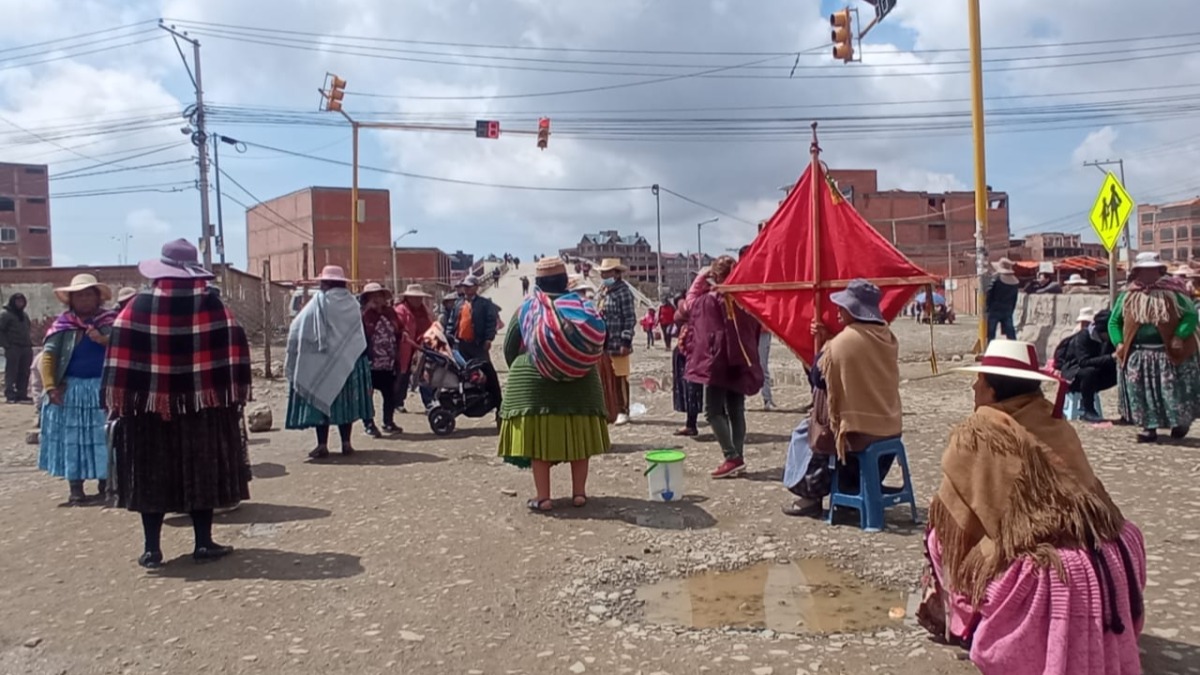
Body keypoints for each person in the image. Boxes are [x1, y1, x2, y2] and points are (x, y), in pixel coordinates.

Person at [920, 339, 1144, 674]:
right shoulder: (1053, 420)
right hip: (1109, 551)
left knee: (939, 535)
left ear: (994, 391)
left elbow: (959, 517)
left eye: (979, 380)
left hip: (1047, 564)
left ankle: (967, 619)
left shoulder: (979, 431)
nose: (973, 386)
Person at [104, 239, 252, 569]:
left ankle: (152, 550)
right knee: (201, 471)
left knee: (150, 474)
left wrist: (122, 402)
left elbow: (117, 358)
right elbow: (235, 350)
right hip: (202, 408)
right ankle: (203, 543)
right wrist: (229, 397)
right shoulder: (212, 306)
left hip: (147, 411)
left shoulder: (137, 307)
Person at [498, 258, 611, 511]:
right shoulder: (582, 307)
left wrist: (529, 365)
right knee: (579, 444)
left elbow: (509, 348)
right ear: (565, 282)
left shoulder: (527, 308)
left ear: (537, 283)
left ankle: (544, 497)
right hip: (583, 384)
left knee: (540, 445)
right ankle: (579, 494)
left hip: (535, 386)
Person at [784, 279, 902, 516]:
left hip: (858, 436)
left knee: (808, 432)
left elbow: (817, 378)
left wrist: (825, 344)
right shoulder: (886, 336)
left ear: (853, 310)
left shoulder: (840, 343)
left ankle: (809, 497)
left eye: (842, 307)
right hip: (890, 429)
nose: (838, 311)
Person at [39, 274, 116, 505]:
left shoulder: (111, 324)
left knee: (103, 437)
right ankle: (76, 488)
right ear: (70, 300)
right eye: (78, 295)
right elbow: (49, 356)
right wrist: (51, 386)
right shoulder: (62, 327)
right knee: (72, 438)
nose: (83, 299)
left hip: (102, 389)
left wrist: (103, 339)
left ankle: (106, 484)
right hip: (71, 390)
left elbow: (124, 348)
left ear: (97, 298)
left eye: (88, 294)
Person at [1108, 252, 1200, 443]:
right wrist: (1119, 342)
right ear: (1137, 272)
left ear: (1160, 270)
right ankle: (1148, 427)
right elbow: (1114, 322)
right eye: (1144, 270)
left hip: (1167, 353)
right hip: (1138, 353)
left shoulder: (1174, 293)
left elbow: (1190, 316)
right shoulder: (1128, 296)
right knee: (1140, 392)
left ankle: (1179, 423)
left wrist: (1179, 336)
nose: (1148, 274)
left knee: (1172, 392)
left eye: (1152, 269)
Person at [686, 256, 763, 479]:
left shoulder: (710, 300)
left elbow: (689, 306)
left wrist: (700, 278)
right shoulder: (744, 300)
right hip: (740, 360)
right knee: (736, 410)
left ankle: (732, 457)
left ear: (716, 276)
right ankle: (737, 455)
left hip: (717, 362)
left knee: (712, 411)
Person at [285, 266, 374, 459]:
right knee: (346, 404)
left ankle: (322, 445)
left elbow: (297, 327)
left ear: (325, 283)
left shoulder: (319, 302)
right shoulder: (352, 303)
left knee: (321, 396)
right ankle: (346, 443)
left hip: (322, 361)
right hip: (350, 362)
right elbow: (358, 335)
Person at [1054, 307, 1117, 423]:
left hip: (1094, 377)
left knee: (1118, 371)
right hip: (1074, 375)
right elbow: (1083, 362)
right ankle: (1088, 410)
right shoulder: (1083, 336)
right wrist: (1111, 357)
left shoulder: (1108, 341)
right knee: (1089, 371)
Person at [450, 275, 502, 412]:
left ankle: (498, 404)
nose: (466, 289)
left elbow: (491, 323)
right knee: (464, 373)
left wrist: (488, 339)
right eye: (465, 286)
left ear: (476, 287)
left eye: (469, 286)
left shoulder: (485, 304)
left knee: (488, 373)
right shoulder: (458, 304)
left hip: (478, 346)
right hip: (461, 346)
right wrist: (448, 337)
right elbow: (452, 323)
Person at [596, 258, 636, 426]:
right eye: (603, 272)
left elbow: (629, 318)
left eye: (607, 272)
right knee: (606, 377)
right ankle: (609, 409)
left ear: (616, 273)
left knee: (620, 378)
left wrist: (625, 341)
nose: (604, 275)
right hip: (603, 343)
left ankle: (623, 410)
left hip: (618, 342)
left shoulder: (623, 292)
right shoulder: (603, 291)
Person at [360, 282, 402, 436]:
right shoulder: (363, 315)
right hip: (370, 363)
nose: (377, 299)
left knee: (390, 394)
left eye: (379, 295)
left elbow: (399, 330)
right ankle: (369, 424)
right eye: (373, 296)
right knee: (367, 395)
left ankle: (388, 422)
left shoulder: (390, 313)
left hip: (389, 362)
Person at [394, 284, 435, 412]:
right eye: (414, 298)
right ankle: (398, 402)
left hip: (422, 347)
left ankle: (429, 402)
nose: (417, 300)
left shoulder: (424, 310)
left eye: (419, 298)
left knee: (425, 374)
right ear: (408, 298)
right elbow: (398, 328)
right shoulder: (400, 310)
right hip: (405, 347)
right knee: (403, 375)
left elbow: (430, 325)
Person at [671, 292, 703, 437]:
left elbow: (681, 313)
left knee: (692, 389)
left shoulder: (693, 306)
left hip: (692, 352)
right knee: (688, 389)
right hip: (688, 351)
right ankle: (691, 423)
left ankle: (692, 424)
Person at [1, 292, 33, 403]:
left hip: (26, 347)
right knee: (12, 372)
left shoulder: (24, 315)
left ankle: (22, 394)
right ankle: (10, 394)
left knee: (24, 372)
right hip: (13, 347)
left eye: (22, 301)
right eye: (18, 301)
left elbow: (28, 328)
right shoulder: (5, 314)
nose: (20, 303)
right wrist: (6, 345)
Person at [985, 258, 1020, 340]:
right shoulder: (1015, 281)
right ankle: (1013, 347)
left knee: (991, 333)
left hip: (994, 308)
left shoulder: (996, 278)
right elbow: (1014, 299)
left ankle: (990, 348)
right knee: (1010, 331)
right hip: (1008, 309)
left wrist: (987, 306)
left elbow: (989, 293)